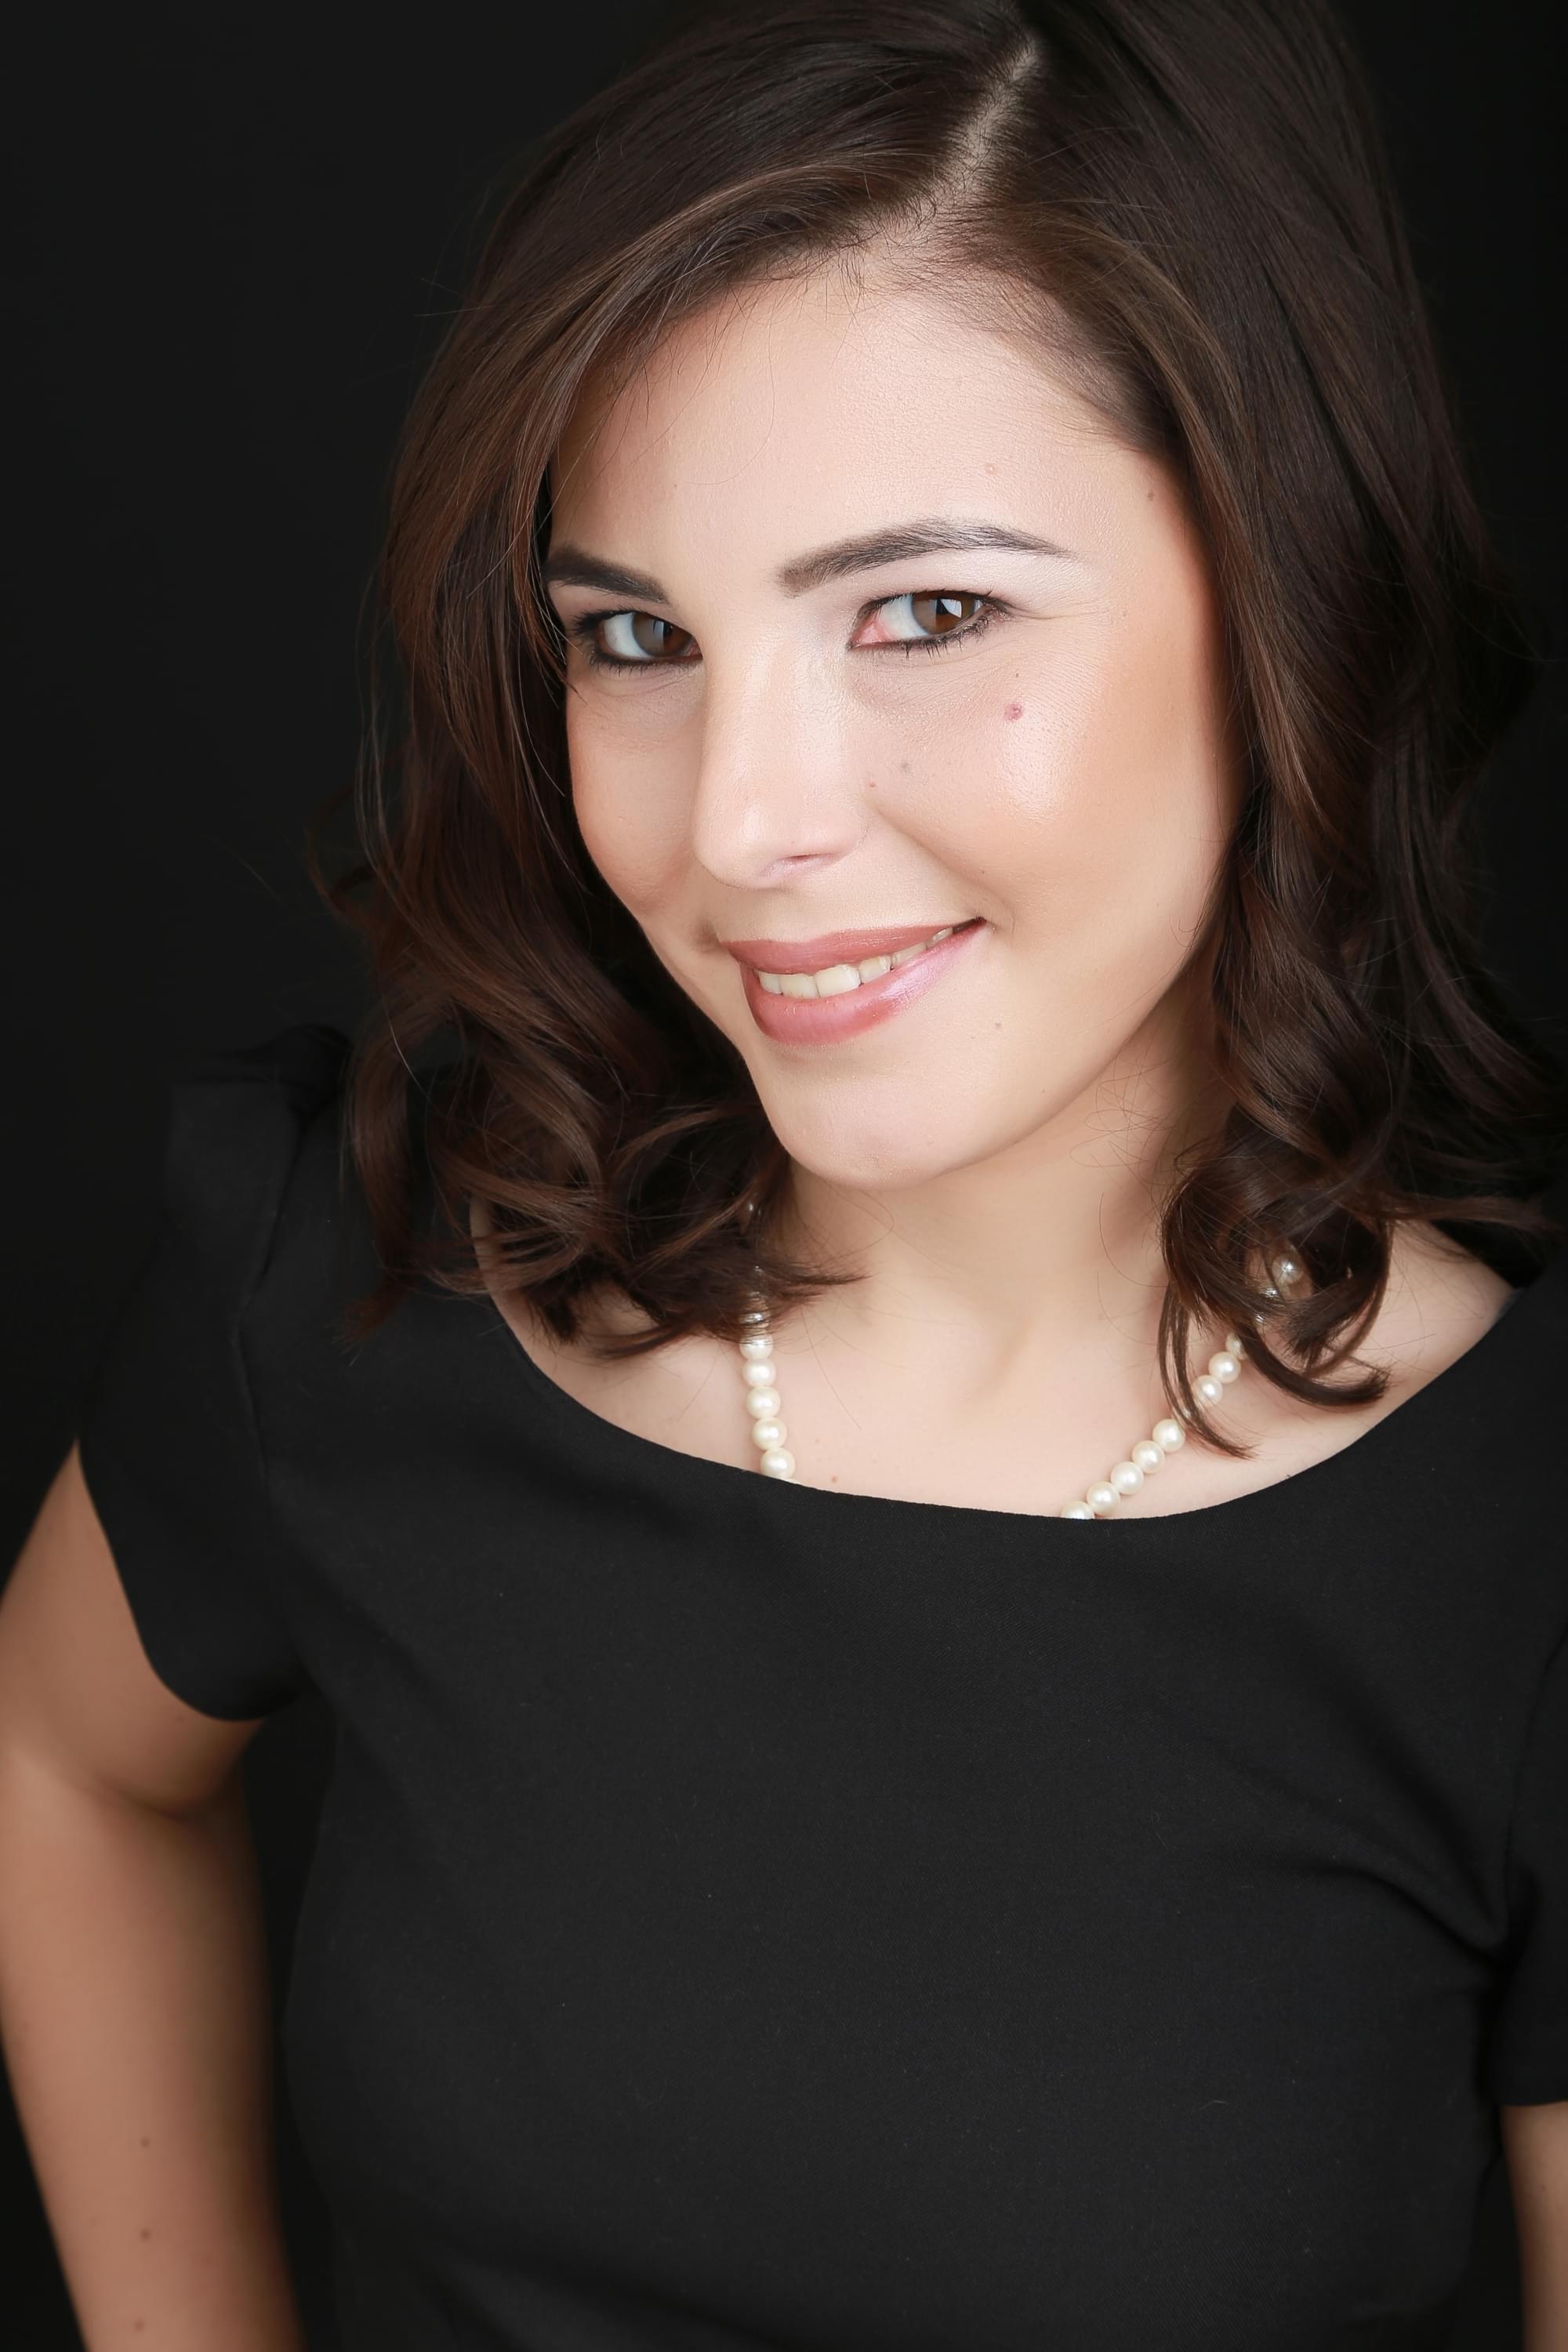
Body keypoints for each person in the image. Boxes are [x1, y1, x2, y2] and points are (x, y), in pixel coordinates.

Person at [2, 0, 1566, 2344]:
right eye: (634, 638)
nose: (738, 822)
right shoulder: (368, 1272)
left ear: (1293, 598)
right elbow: (66, 1760)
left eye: (924, 613)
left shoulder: (1525, 1546)